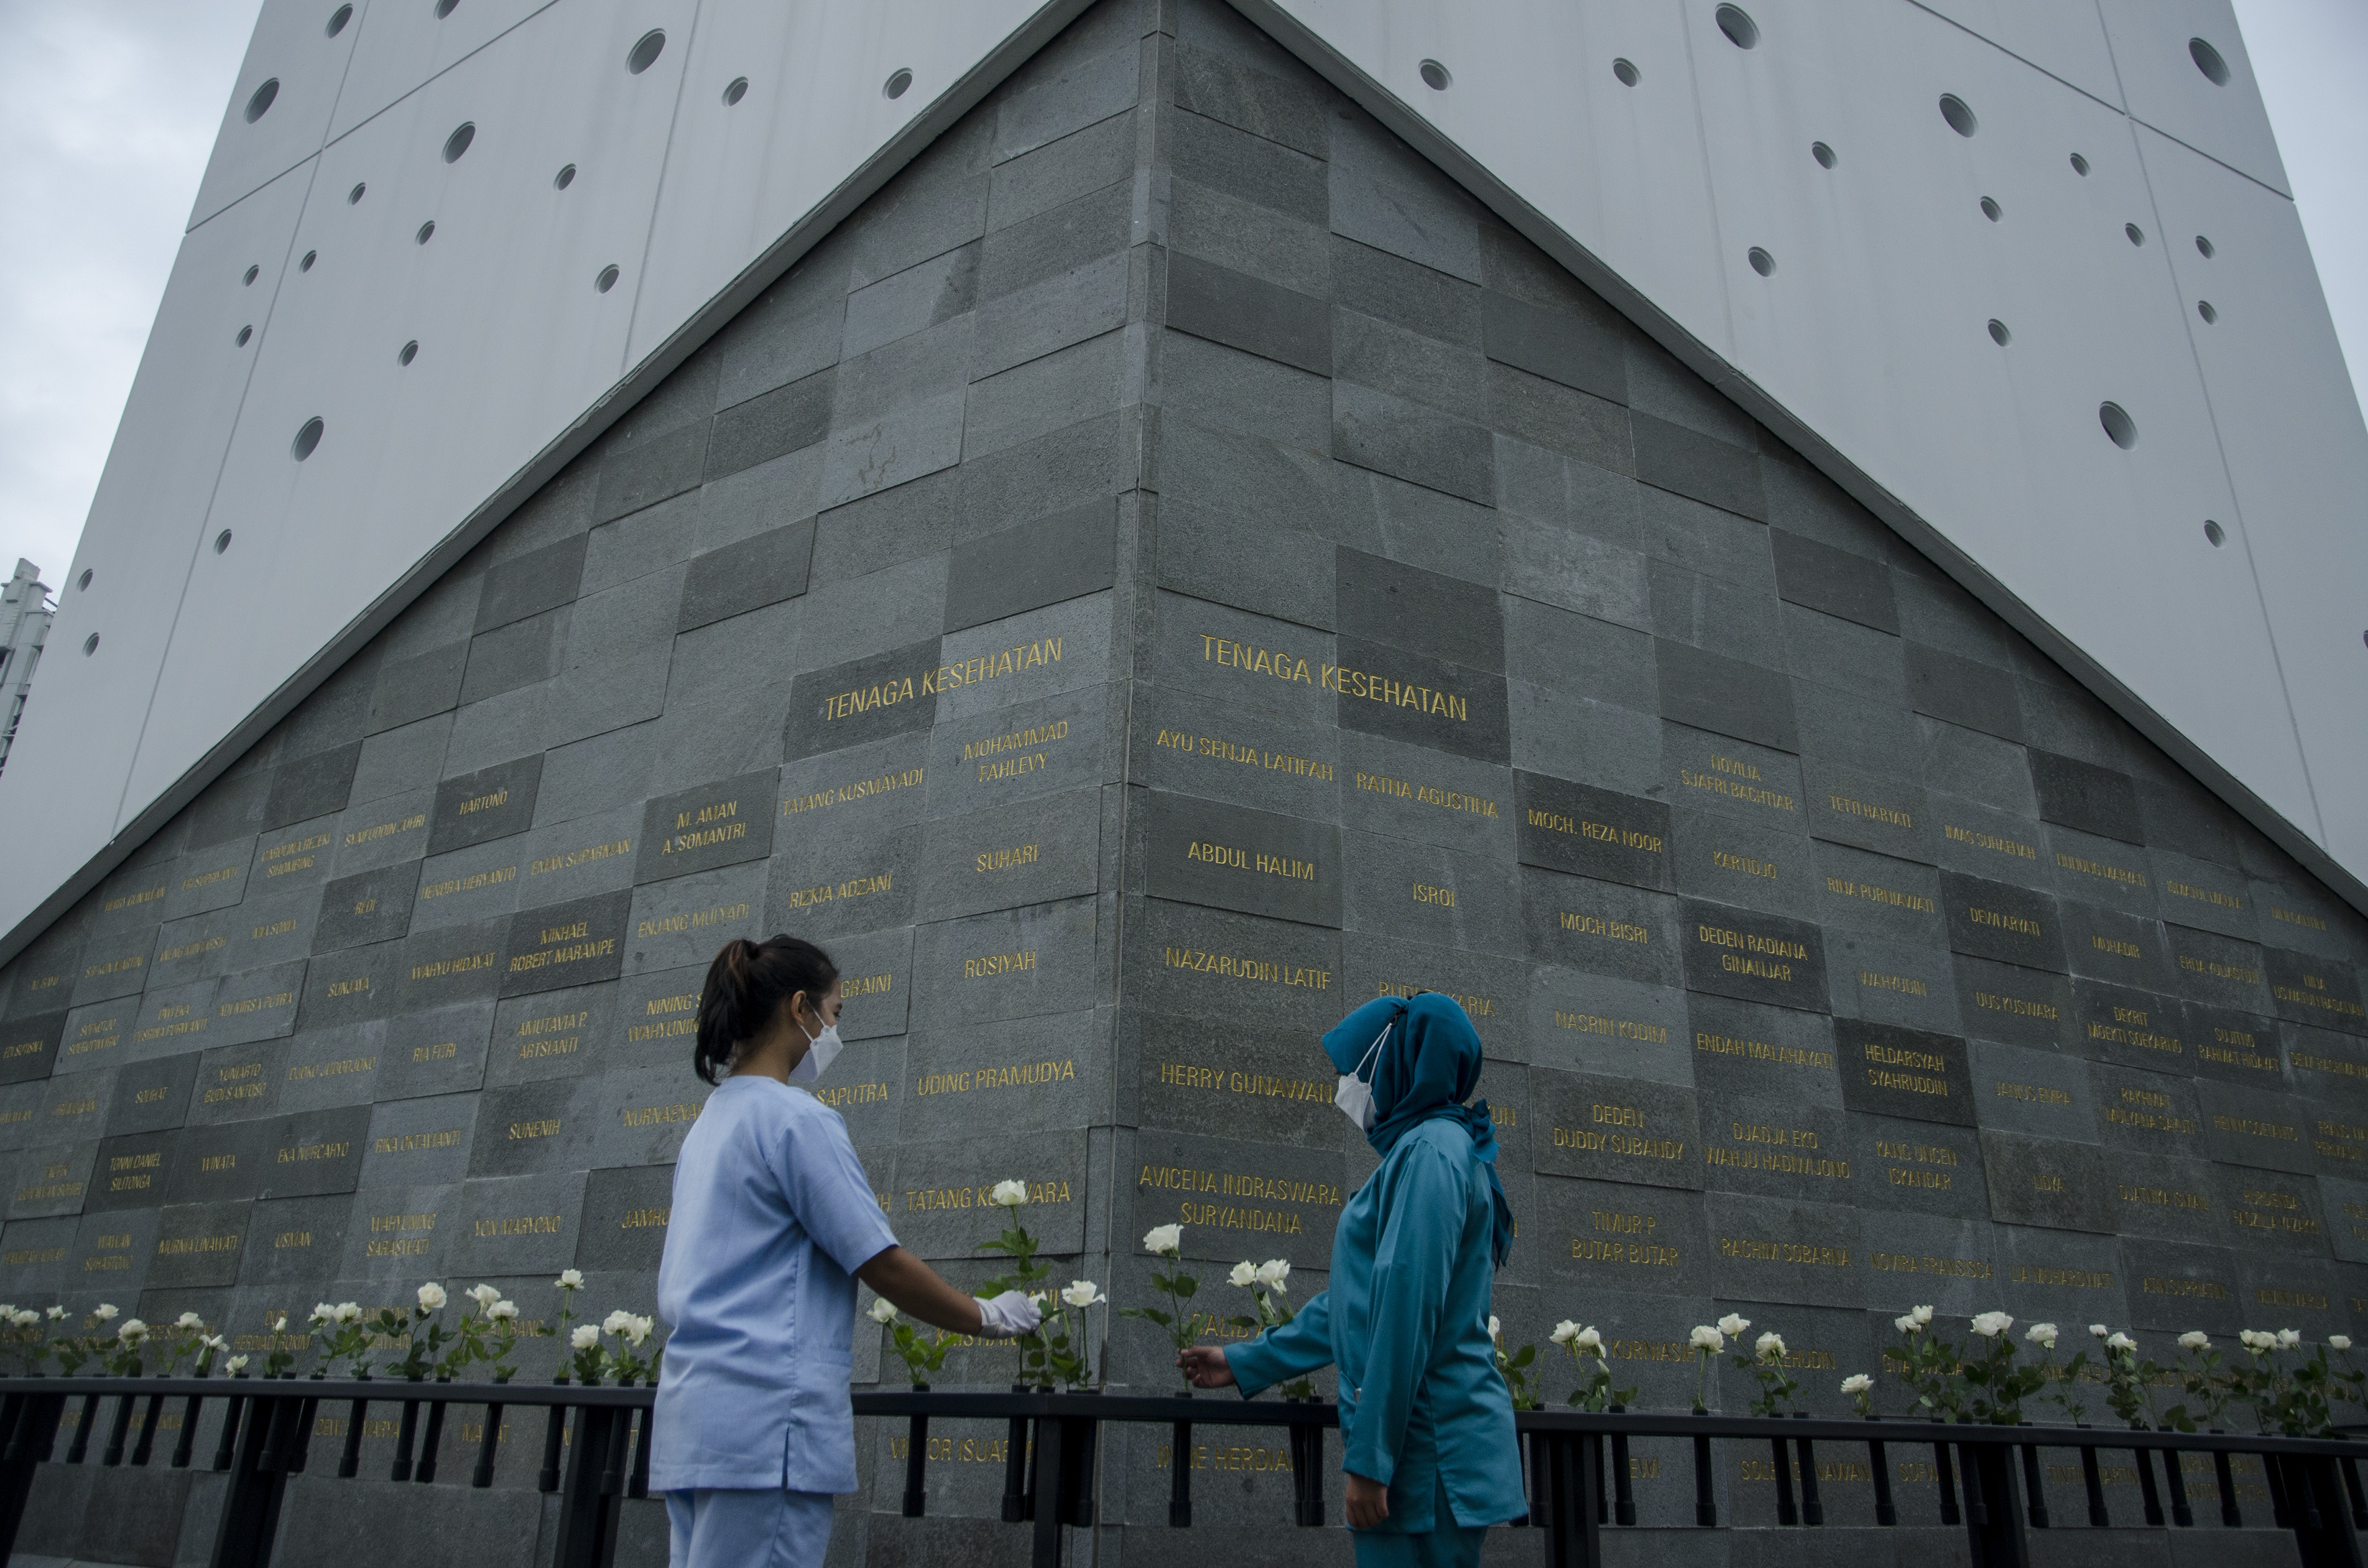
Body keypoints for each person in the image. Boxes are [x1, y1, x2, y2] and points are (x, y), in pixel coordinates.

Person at [652, 935, 1041, 1568]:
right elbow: (877, 1259)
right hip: (766, 1424)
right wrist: (986, 1315)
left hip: (695, 1418)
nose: (834, 1032)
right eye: (835, 1014)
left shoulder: (712, 1121)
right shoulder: (796, 1120)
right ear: (799, 1009)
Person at [1178, 991, 1526, 1566]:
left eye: (1360, 1069)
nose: (1350, 1085)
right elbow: (1358, 1304)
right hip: (1424, 1449)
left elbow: (1403, 1310)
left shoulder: (1430, 1153)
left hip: (1425, 1454)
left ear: (1401, 1065)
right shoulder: (1429, 1150)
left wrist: (1370, 1460)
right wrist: (1248, 1361)